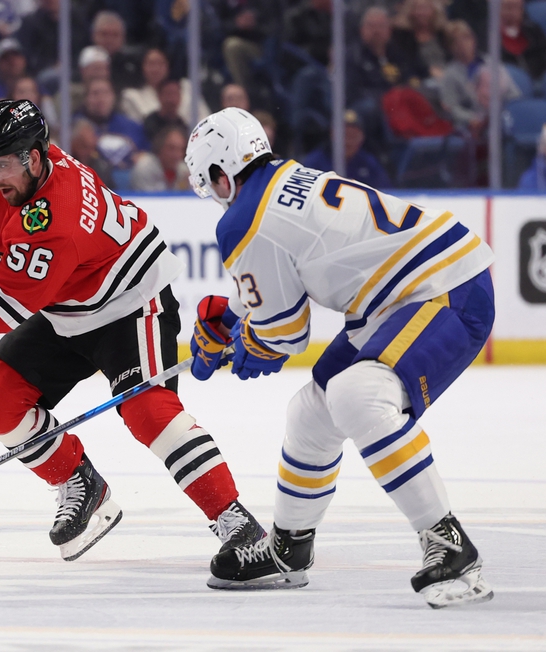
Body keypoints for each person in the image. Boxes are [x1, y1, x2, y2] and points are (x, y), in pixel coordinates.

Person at [0, 99, 270, 583]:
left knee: (148, 411)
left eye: (0, 166)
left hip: (131, 304)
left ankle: (239, 524)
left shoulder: (56, 222)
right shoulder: (27, 166)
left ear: (32, 158)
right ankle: (79, 481)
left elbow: (1, 305)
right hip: (67, 305)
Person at [183, 107, 496, 606]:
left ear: (221, 174)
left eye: (212, 185)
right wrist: (230, 320)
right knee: (311, 412)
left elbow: (283, 336)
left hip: (443, 288)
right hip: (406, 292)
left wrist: (243, 346)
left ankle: (449, 543)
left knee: (358, 394)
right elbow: (272, 275)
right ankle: (288, 549)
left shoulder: (244, 218)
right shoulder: (279, 182)